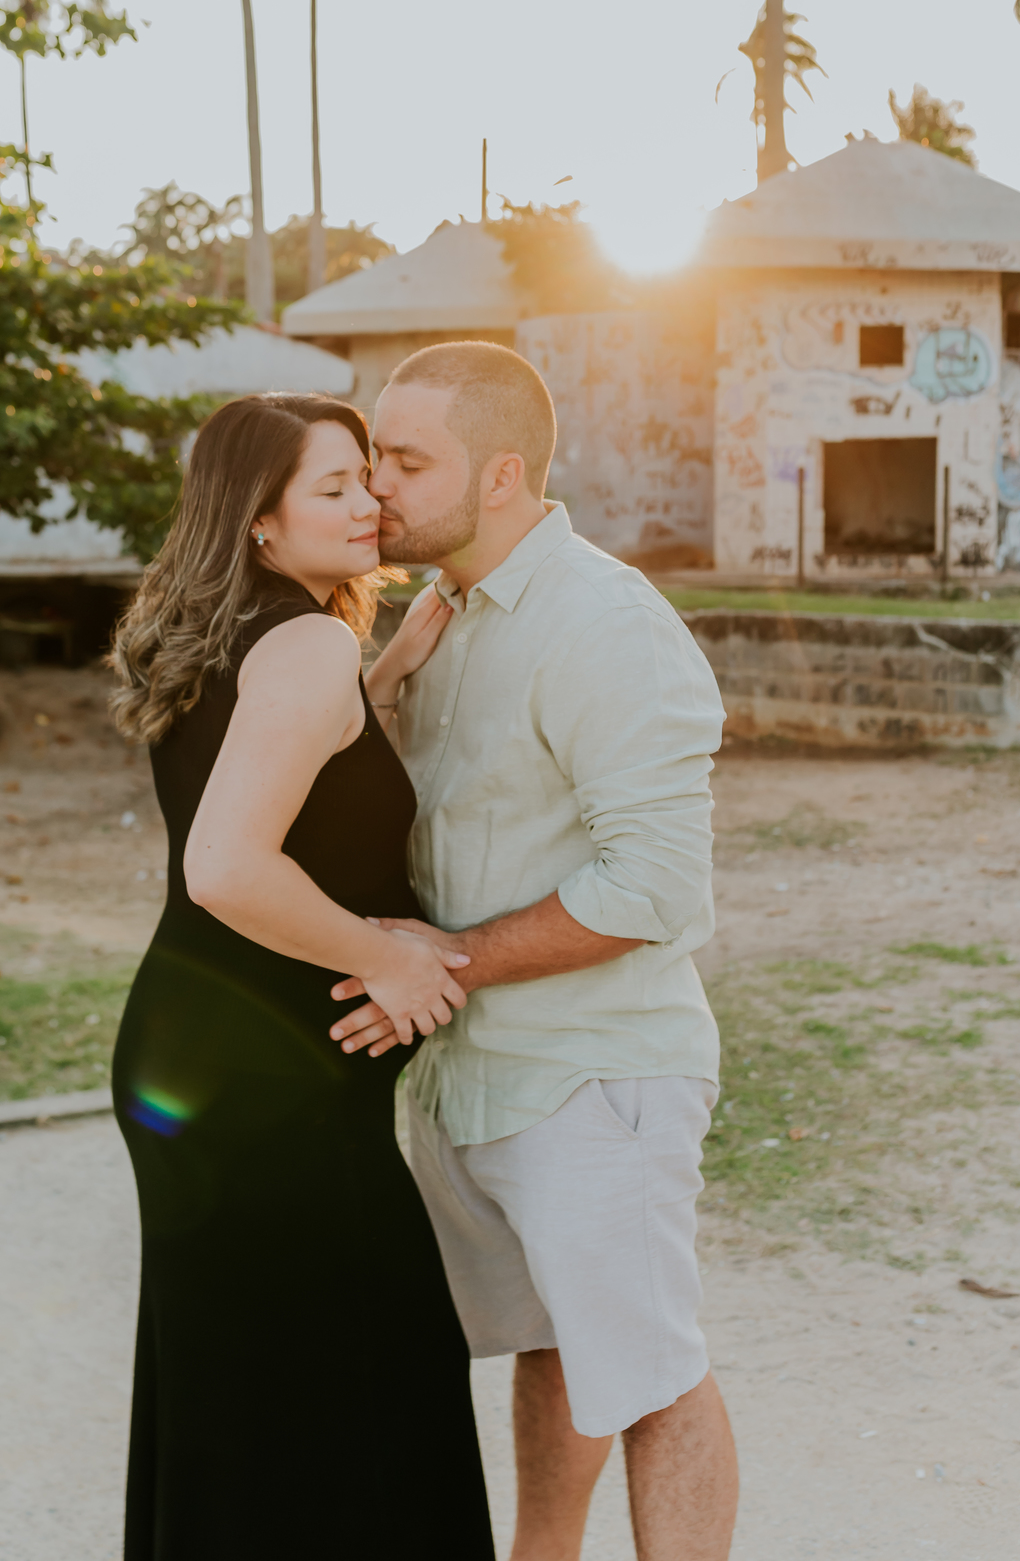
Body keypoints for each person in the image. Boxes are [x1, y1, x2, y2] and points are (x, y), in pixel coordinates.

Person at [328, 343, 738, 1561]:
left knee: (653, 1375)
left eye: (407, 460)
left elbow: (654, 885)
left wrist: (445, 961)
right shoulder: (442, 611)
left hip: (593, 1078)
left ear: (501, 473)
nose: (377, 486)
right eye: (371, 457)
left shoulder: (605, 623)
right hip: (477, 1082)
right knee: (558, 1347)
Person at [107, 393, 494, 1561]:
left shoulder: (258, 635)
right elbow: (224, 865)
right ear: (259, 523)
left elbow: (291, 778)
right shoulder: (307, 642)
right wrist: (390, 956)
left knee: (249, 1403)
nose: (370, 499)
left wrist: (376, 686)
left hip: (210, 1062)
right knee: (365, 1391)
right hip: (260, 1093)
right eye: (334, 487)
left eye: (368, 476)